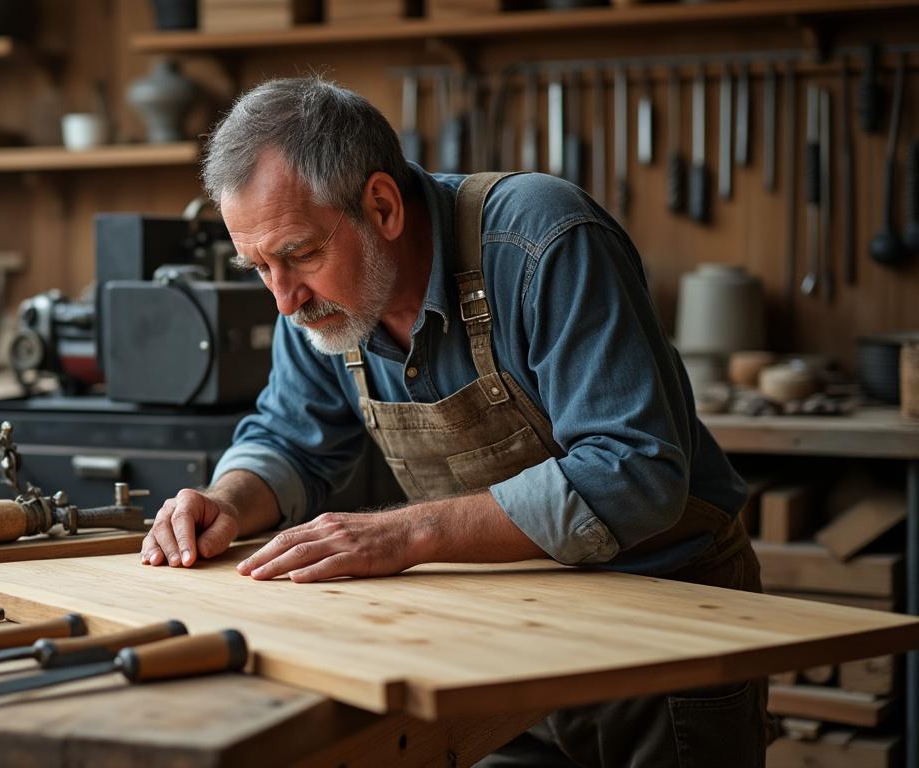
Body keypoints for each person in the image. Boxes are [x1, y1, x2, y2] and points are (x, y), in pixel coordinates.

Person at [139, 76, 768, 767]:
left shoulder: (542, 241)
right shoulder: (321, 308)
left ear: (381, 205)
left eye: (298, 256)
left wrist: (408, 532)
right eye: (258, 267)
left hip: (659, 628)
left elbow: (635, 474)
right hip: (498, 636)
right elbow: (291, 439)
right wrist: (228, 499)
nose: (284, 300)